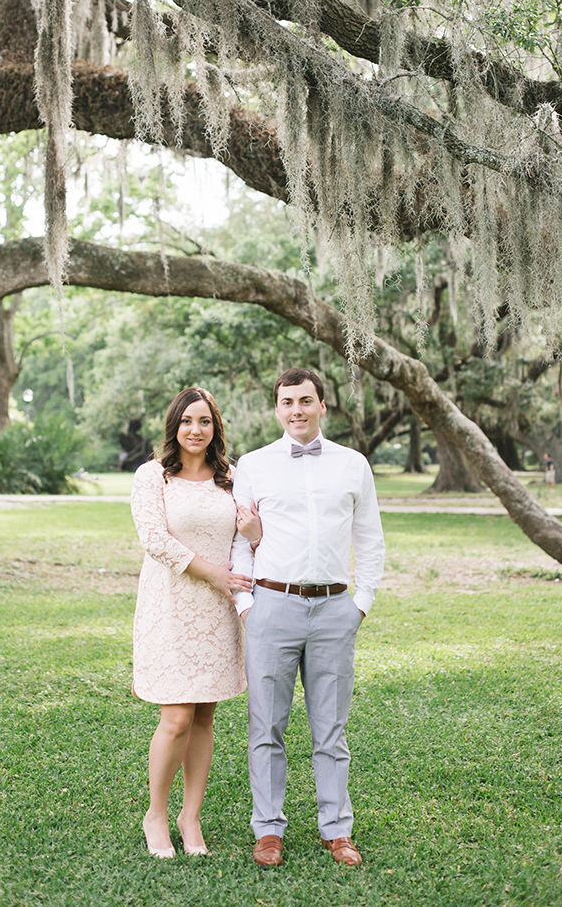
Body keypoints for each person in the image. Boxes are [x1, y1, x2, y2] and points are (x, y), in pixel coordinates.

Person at [231, 367, 386, 869]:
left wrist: (359, 602)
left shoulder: (353, 464)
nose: (296, 410)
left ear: (323, 405)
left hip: (334, 610)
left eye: (305, 400)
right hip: (271, 607)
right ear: (276, 410)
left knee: (331, 728)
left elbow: (370, 537)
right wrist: (247, 607)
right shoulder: (253, 465)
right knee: (265, 727)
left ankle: (337, 830)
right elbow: (241, 539)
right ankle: (268, 830)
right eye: (286, 402)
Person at [130, 387, 260, 858]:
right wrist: (214, 573)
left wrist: (251, 542)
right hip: (171, 606)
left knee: (204, 715)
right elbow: (154, 540)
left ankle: (191, 817)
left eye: (204, 421)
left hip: (219, 610)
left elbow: (249, 533)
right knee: (177, 715)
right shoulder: (152, 477)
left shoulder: (230, 477)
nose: (195, 430)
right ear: (174, 426)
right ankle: (156, 815)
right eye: (187, 421)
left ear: (215, 428)